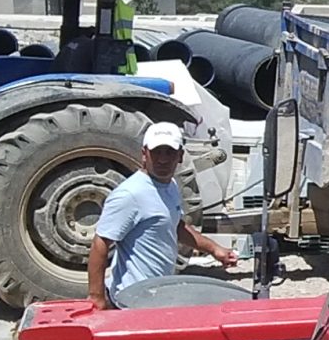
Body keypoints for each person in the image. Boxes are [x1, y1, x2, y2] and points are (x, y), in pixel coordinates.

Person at [86, 121, 237, 310]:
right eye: (156, 152)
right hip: (131, 301)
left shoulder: (170, 185)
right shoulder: (130, 194)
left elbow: (175, 226)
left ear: (180, 156)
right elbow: (100, 243)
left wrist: (215, 249)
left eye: (169, 152)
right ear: (144, 154)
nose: (163, 159)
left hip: (157, 295)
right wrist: (96, 298)